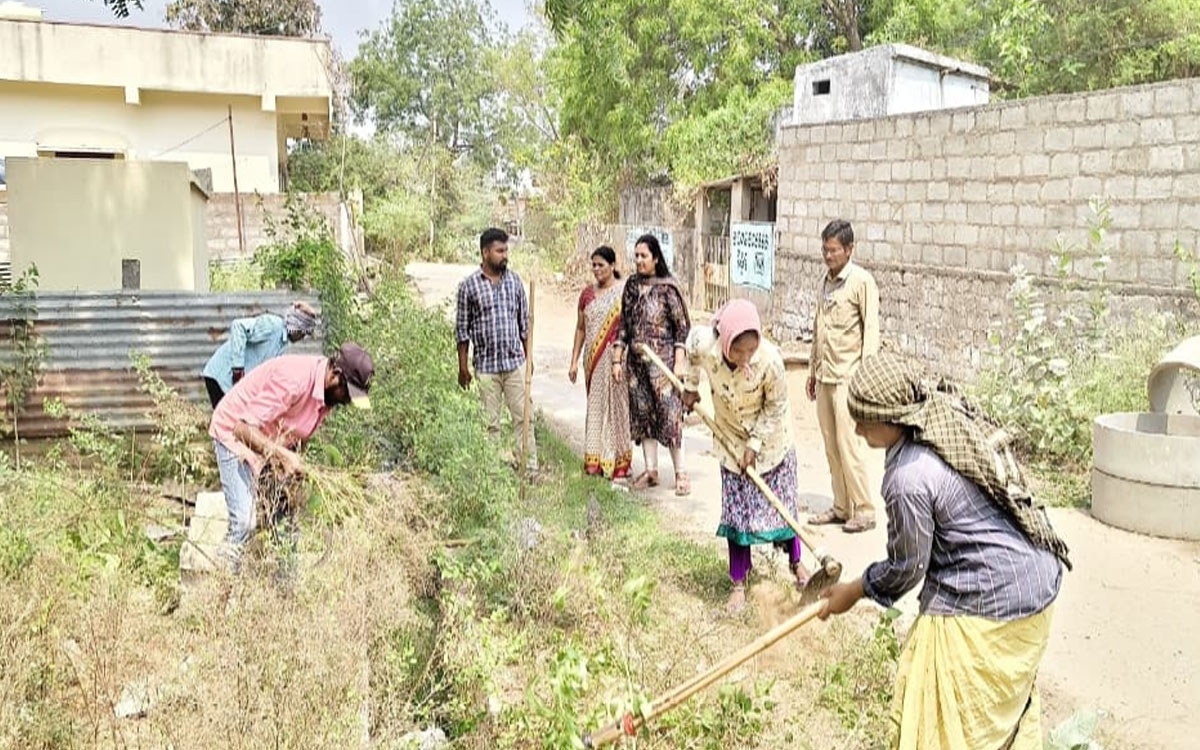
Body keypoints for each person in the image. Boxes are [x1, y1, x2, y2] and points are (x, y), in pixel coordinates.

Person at [818, 353, 1071, 750]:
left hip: (993, 604)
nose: (857, 429)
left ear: (892, 418)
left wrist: (853, 591)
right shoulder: (941, 413)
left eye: (863, 422)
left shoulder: (908, 478)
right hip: (1038, 582)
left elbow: (907, 567)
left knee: (944, 724)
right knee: (993, 723)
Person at [682, 299, 808, 612]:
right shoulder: (704, 343)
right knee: (738, 513)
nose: (745, 358)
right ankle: (738, 581)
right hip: (730, 437)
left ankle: (797, 565)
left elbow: (776, 406)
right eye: (737, 351)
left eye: (750, 350)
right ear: (724, 341)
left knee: (783, 504)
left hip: (770, 439)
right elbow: (690, 354)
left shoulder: (770, 361)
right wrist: (690, 386)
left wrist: (754, 443)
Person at [208, 342, 374, 569]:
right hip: (234, 436)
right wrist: (283, 456)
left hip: (268, 445)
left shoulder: (326, 397)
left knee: (285, 525)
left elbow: (299, 435)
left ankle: (284, 594)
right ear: (335, 374)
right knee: (245, 521)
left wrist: (291, 477)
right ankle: (219, 586)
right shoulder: (294, 379)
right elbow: (241, 429)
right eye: (348, 393)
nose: (348, 401)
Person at [807, 219, 880, 533]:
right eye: (825, 249)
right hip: (825, 375)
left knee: (849, 444)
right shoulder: (825, 282)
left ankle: (864, 509)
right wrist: (812, 370)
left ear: (849, 250)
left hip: (849, 377)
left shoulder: (862, 282)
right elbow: (817, 329)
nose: (828, 255)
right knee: (830, 444)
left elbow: (871, 332)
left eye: (834, 250)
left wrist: (866, 377)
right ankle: (841, 506)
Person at [613, 234, 691, 496]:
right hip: (636, 366)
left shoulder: (668, 288)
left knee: (670, 416)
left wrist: (679, 361)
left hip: (663, 364)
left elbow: (682, 328)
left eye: (643, 256)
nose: (638, 261)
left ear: (656, 258)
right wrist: (617, 357)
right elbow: (623, 323)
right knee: (643, 414)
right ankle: (651, 470)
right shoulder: (632, 286)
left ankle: (681, 473)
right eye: (636, 256)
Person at [456, 227, 537, 474]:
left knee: (524, 418)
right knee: (490, 423)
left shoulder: (514, 282)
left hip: (514, 363)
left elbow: (525, 324)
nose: (505, 256)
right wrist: (463, 367)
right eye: (500, 251)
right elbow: (462, 330)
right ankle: (490, 473)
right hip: (486, 367)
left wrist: (529, 357)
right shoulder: (469, 287)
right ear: (485, 253)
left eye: (506, 250)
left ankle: (529, 467)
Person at [569, 246, 633, 480]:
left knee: (617, 409)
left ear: (612, 265)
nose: (596, 269)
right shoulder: (586, 295)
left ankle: (620, 464)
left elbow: (629, 327)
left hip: (617, 359)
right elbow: (580, 328)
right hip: (593, 359)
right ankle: (594, 461)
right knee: (595, 407)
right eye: (593, 265)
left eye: (601, 265)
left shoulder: (623, 292)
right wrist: (574, 360)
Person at [202, 302, 318, 408]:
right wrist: (238, 369)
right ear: (296, 327)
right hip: (221, 376)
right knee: (227, 421)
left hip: (234, 386)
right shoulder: (273, 325)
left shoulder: (282, 344)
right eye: (303, 333)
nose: (302, 337)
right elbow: (238, 326)